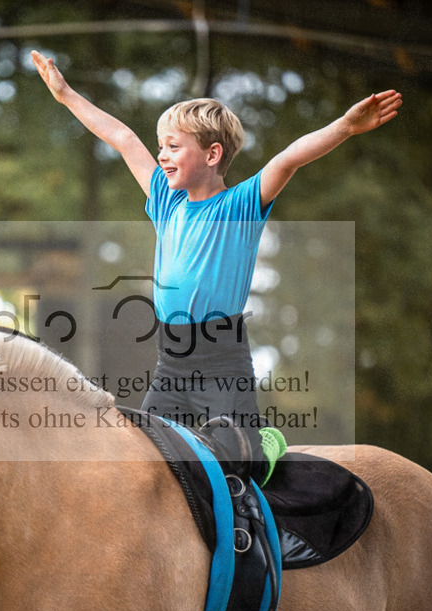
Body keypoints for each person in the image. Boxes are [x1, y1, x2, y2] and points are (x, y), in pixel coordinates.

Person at [32, 50, 401, 483]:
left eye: (173, 147)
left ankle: (263, 442)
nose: (162, 156)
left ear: (212, 155)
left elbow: (288, 158)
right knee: (140, 459)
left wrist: (345, 126)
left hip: (222, 363)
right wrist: (66, 95)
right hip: (171, 361)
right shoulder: (166, 203)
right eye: (161, 147)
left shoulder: (241, 204)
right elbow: (123, 138)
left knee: (234, 466)